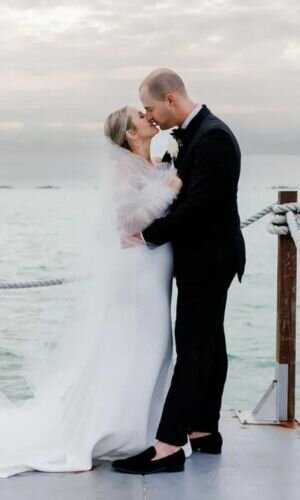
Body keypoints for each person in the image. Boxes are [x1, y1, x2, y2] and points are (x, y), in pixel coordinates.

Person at [0, 106, 182, 478]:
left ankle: (146, 427)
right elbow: (127, 222)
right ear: (130, 134)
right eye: (140, 117)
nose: (149, 117)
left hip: (158, 266)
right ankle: (121, 430)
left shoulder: (155, 164)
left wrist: (167, 178)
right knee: (139, 343)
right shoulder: (124, 169)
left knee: (157, 345)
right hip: (137, 271)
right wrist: (168, 191)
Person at [112, 68, 246, 475]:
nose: (150, 116)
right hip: (205, 256)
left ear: (170, 99)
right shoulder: (197, 134)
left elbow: (198, 208)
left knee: (192, 346)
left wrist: (147, 235)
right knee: (209, 343)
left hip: (210, 257)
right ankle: (205, 430)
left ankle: (168, 446)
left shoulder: (213, 137)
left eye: (151, 107)